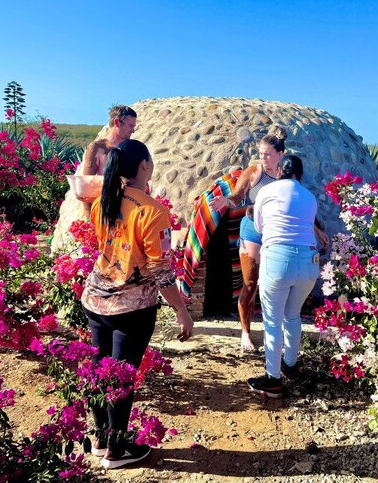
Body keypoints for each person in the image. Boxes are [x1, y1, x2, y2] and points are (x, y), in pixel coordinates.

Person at [82, 139, 194, 469]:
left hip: (96, 298)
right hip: (131, 308)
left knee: (100, 371)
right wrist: (182, 310)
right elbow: (160, 272)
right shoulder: (152, 211)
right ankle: (116, 452)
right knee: (121, 377)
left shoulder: (104, 202)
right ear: (144, 165)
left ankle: (102, 441)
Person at [208, 126, 287, 351]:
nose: (263, 158)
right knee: (250, 283)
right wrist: (226, 201)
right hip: (252, 230)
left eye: (268, 154)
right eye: (261, 153)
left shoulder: (285, 175)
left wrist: (317, 230)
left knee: (277, 283)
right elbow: (238, 195)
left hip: (276, 232)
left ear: (281, 154)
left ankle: (277, 332)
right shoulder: (254, 171)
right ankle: (245, 332)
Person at [247, 155, 319, 398]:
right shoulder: (310, 197)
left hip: (278, 258)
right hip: (309, 262)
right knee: (293, 315)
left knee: (272, 320)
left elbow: (259, 227)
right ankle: (290, 364)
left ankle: (273, 378)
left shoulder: (267, 190)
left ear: (280, 171)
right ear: (300, 174)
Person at [75, 105, 138, 204]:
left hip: (130, 208)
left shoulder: (132, 149)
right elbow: (86, 188)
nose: (133, 130)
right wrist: (89, 218)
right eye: (130, 126)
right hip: (105, 208)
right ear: (117, 122)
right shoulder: (98, 148)